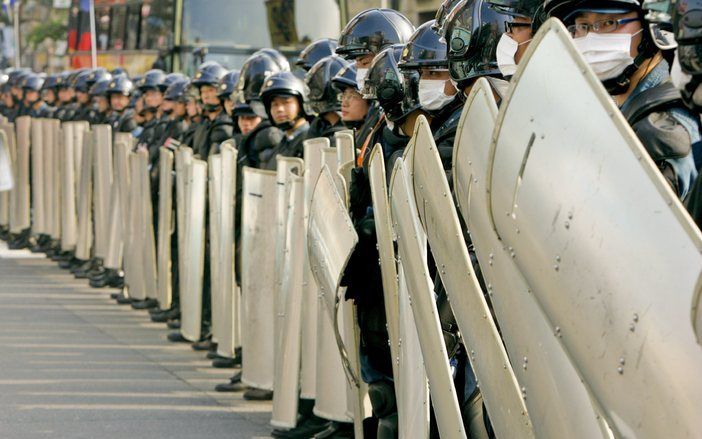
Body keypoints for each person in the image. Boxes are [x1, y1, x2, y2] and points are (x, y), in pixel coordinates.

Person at [544, 0, 699, 198]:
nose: (591, 38)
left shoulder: (663, 135)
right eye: (583, 26)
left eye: (609, 23)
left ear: (652, 27)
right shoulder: (610, 105)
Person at [258, 71, 310, 171]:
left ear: (301, 104)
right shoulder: (282, 143)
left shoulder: (309, 142)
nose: (279, 109)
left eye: (286, 102)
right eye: (275, 105)